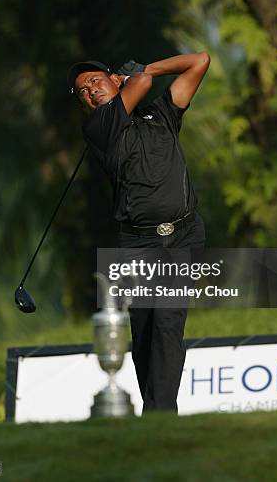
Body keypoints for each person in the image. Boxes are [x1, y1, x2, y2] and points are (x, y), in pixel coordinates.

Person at [68, 53, 210, 413]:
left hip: (182, 236)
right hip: (138, 242)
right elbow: (143, 83)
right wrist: (139, 74)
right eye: (82, 91)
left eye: (96, 81)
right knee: (144, 331)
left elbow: (200, 61)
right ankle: (154, 411)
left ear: (115, 81)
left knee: (167, 321)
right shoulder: (99, 127)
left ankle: (161, 414)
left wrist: (149, 69)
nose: (90, 91)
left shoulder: (161, 114)